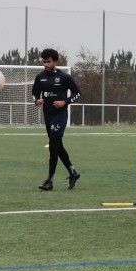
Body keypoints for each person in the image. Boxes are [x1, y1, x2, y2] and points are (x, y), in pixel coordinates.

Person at [33, 48, 82, 190]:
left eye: (48, 62)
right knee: (56, 144)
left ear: (55, 61)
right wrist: (37, 101)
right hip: (47, 115)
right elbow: (35, 92)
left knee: (54, 144)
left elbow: (77, 92)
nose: (46, 64)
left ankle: (49, 180)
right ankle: (73, 172)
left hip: (60, 115)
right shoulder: (40, 77)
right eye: (44, 62)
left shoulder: (64, 77)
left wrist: (64, 102)